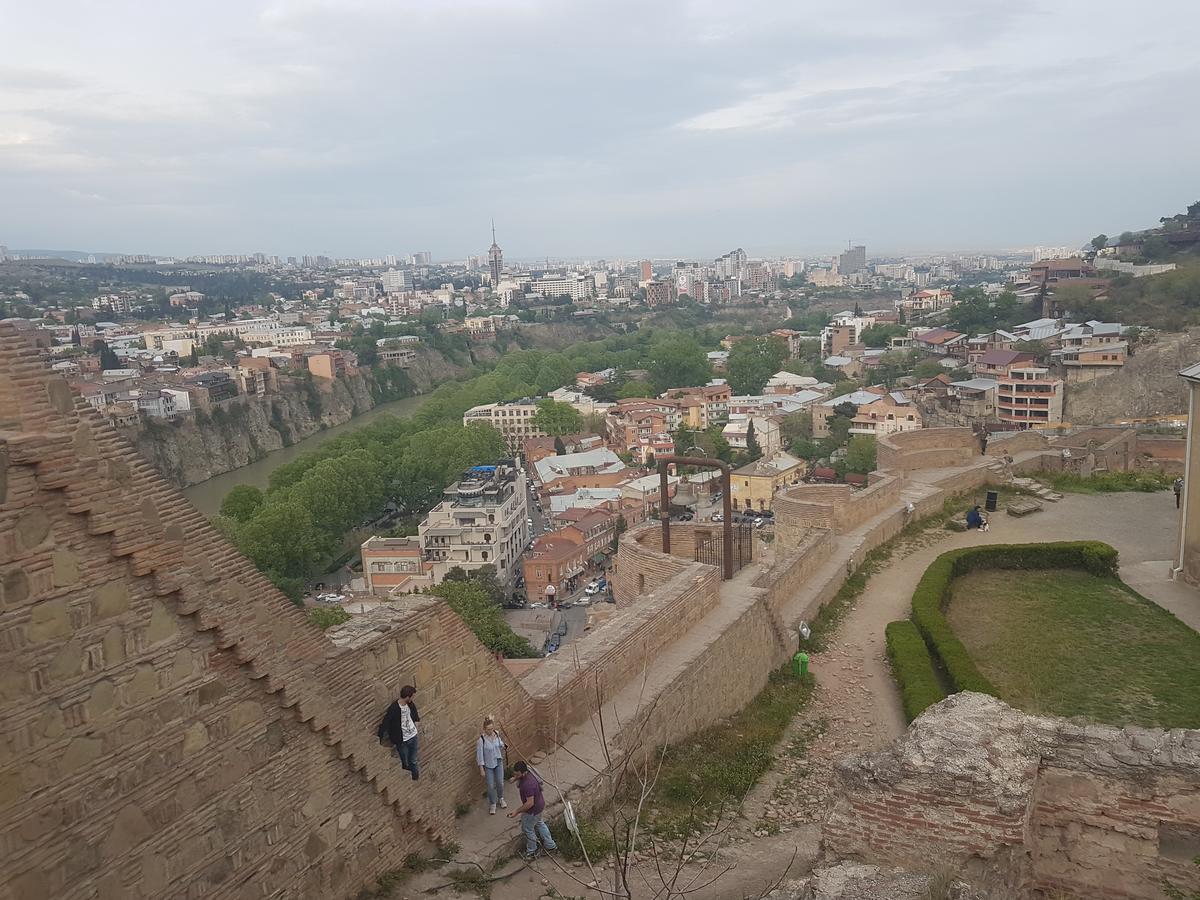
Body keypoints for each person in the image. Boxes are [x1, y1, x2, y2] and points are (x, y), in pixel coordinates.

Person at [508, 761, 557, 860]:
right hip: (540, 804)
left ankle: (532, 851)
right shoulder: (530, 771)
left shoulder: (527, 785)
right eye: (515, 773)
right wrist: (515, 778)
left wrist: (517, 811)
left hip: (532, 810)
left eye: (517, 774)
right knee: (539, 823)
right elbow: (520, 775)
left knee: (527, 829)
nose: (515, 775)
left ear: (524, 773)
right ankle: (550, 845)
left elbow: (529, 803)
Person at [377, 685, 420, 780]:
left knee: (413, 760)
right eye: (412, 696)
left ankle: (415, 778)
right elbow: (386, 722)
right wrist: (379, 737)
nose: (413, 698)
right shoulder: (394, 708)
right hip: (402, 740)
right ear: (407, 697)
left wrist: (416, 727)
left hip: (413, 736)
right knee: (405, 762)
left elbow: (415, 716)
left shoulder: (410, 704)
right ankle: (407, 780)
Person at [476, 715, 507, 815]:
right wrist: (481, 768)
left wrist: (503, 746)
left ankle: (501, 798)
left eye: (492, 729)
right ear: (484, 729)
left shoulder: (496, 734)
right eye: (488, 729)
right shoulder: (481, 740)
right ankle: (493, 803)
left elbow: (500, 744)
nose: (491, 731)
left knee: (500, 782)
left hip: (498, 761)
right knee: (490, 785)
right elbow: (480, 755)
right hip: (489, 764)